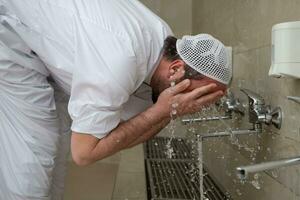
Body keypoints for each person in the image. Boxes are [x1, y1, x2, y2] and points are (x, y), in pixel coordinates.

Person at [0, 0, 232, 200]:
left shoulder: (163, 47)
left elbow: (130, 127)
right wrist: (163, 111)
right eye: (201, 94)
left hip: (44, 48)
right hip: (11, 37)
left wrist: (167, 110)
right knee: (33, 162)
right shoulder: (119, 62)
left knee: (56, 158)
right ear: (176, 69)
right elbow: (84, 153)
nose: (198, 105)